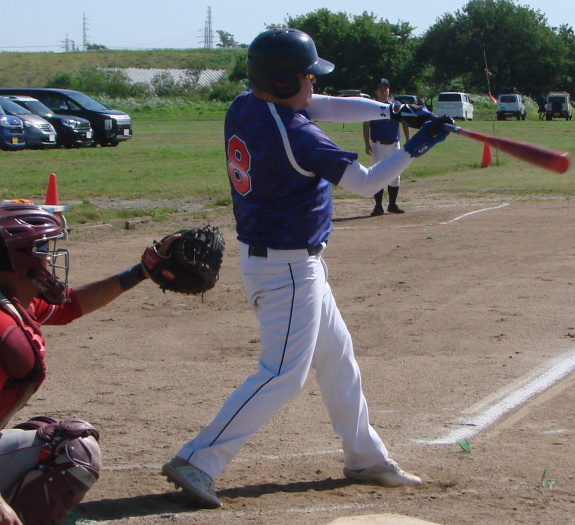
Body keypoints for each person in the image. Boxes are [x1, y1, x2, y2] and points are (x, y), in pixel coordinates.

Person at [161, 27, 452, 510]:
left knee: (338, 358)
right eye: (307, 77)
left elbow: (326, 104)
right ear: (281, 82)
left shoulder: (246, 105)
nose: (313, 85)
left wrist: (391, 110)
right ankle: (198, 459)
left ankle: (365, 457)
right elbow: (366, 183)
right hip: (288, 268)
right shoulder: (298, 134)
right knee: (282, 374)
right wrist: (416, 146)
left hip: (285, 262)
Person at [0, 202, 171, 525]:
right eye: (41, 248)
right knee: (73, 449)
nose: (49, 258)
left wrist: (140, 272)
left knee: (59, 441)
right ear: (17, 259)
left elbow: (69, 307)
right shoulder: (2, 325)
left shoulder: (13, 303)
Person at [363, 78, 411, 216]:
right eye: (380, 88)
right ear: (376, 91)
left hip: (394, 143)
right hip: (377, 144)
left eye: (386, 88)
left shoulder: (395, 105)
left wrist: (408, 140)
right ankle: (378, 206)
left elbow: (405, 122)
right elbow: (366, 126)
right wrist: (367, 144)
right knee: (376, 174)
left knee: (395, 174)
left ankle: (392, 204)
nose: (384, 91)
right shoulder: (371, 106)